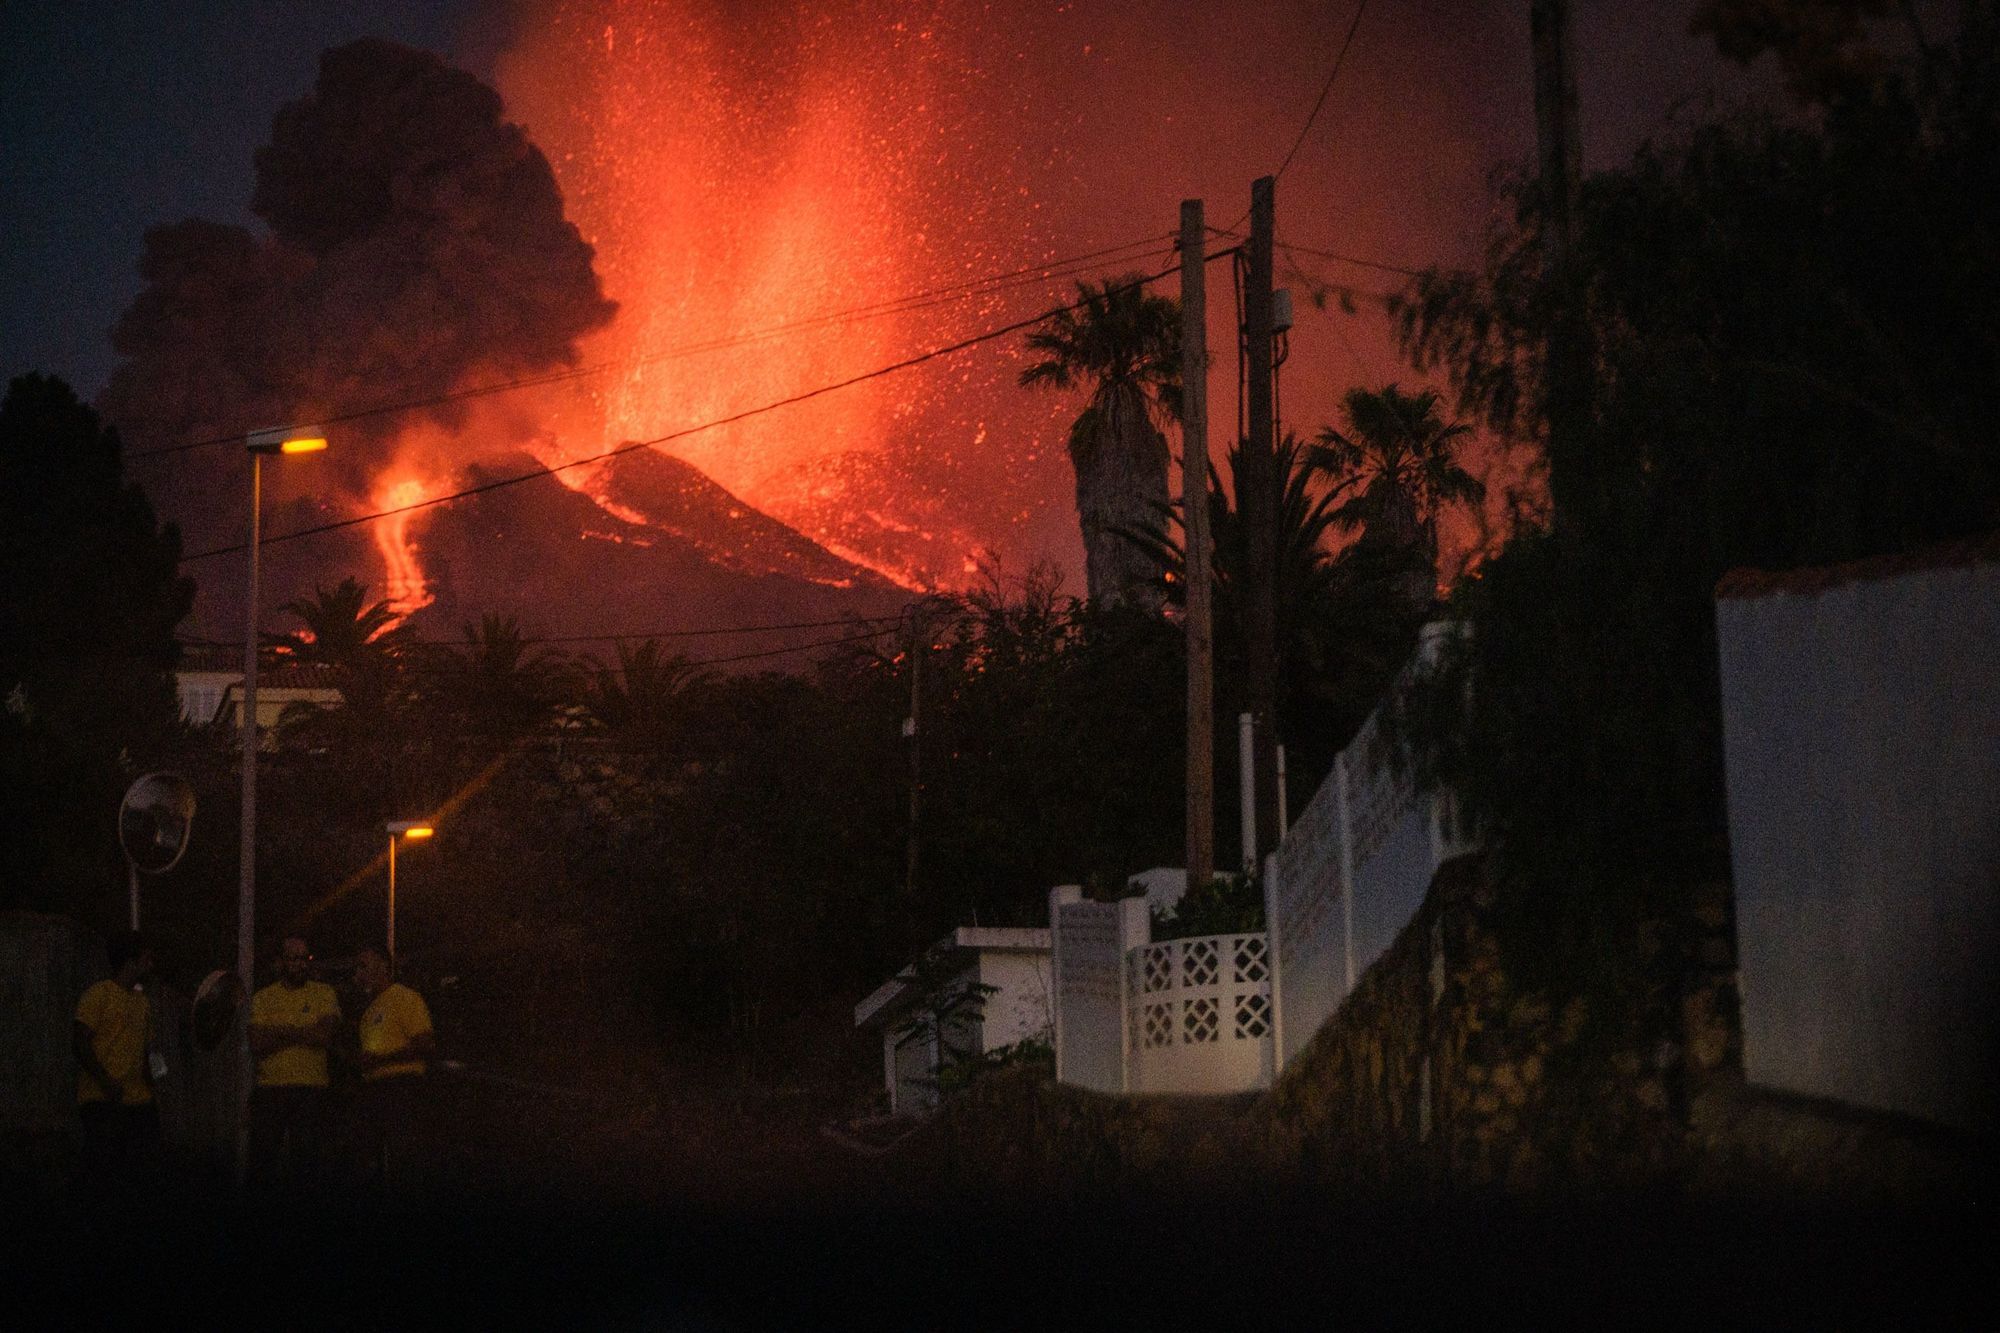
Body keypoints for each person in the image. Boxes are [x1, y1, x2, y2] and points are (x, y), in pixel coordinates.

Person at [248, 934, 341, 1184]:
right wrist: (303, 1033)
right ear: (280, 962)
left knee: (307, 1161)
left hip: (311, 1088)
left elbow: (323, 1036)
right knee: (263, 1160)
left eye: (304, 958)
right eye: (293, 958)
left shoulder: (324, 993)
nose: (300, 964)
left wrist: (279, 1030)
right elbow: (257, 1044)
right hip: (271, 1088)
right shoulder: (263, 998)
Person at [73, 930, 160, 1184]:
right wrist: (105, 1080)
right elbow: (79, 1043)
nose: (151, 964)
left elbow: (149, 1048)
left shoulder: (142, 1002)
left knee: (143, 1172)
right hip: (102, 1099)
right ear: (130, 961)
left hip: (139, 1098)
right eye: (146, 958)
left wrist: (158, 1076)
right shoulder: (98, 995)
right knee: (106, 1174)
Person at [350, 945, 434, 1186]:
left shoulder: (405, 998)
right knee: (370, 1155)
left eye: (363, 966)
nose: (359, 972)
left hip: (401, 1086)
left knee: (403, 1157)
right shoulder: (369, 1011)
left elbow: (425, 1044)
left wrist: (383, 1059)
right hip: (374, 1088)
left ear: (383, 967)